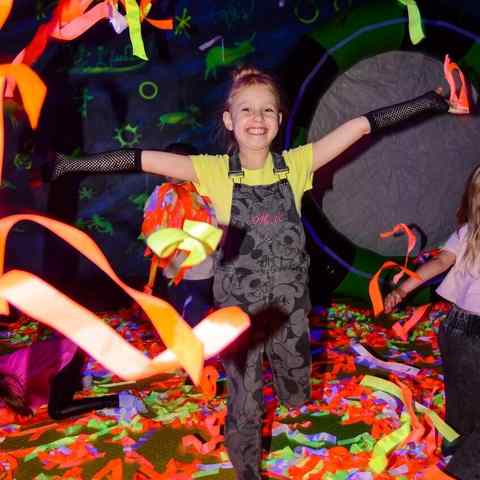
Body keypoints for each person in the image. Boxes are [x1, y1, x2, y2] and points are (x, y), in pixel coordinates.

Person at [48, 66, 464, 479]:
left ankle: (291, 384)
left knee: (295, 387)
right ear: (229, 120)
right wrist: (73, 165)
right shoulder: (212, 170)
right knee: (244, 398)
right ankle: (247, 471)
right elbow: (141, 158)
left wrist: (433, 100)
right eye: (246, 109)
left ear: (279, 120)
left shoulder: (296, 164)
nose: (257, 117)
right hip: (238, 309)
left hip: (290, 305)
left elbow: (360, 125)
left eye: (267, 109)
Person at [384, 165, 480, 479]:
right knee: (465, 405)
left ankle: (456, 453)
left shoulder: (469, 232)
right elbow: (439, 262)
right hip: (467, 332)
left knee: (462, 405)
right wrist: (402, 289)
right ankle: (460, 469)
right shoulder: (469, 232)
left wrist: (403, 289)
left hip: (456, 330)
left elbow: (440, 262)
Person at [142, 142, 215, 327]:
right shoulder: (160, 193)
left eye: (175, 164)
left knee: (195, 315)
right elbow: (149, 222)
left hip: (199, 271)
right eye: (165, 164)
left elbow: (213, 227)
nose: (169, 170)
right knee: (177, 311)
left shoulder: (205, 194)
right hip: (171, 270)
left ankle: (196, 341)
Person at [0, 335, 146, 422]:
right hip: (62, 358)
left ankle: (123, 399)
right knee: (57, 396)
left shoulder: (8, 376)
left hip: (66, 357)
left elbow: (35, 391)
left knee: (58, 411)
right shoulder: (6, 374)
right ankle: (81, 382)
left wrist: (28, 407)